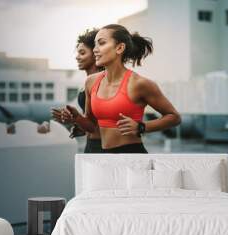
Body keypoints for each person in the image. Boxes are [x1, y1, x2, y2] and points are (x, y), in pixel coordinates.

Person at [61, 24, 181, 153]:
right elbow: (91, 125)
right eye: (95, 44)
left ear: (119, 48)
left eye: (101, 43)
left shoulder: (139, 84)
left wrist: (142, 127)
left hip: (131, 154)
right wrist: (77, 118)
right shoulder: (91, 82)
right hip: (102, 155)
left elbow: (174, 117)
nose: (95, 49)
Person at [52, 29, 103, 153]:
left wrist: (77, 118)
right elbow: (93, 123)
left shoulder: (104, 82)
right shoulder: (87, 82)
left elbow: (108, 124)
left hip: (103, 147)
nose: (77, 57)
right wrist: (79, 125)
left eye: (82, 53)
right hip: (91, 145)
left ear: (96, 53)